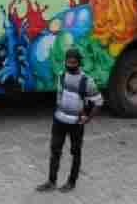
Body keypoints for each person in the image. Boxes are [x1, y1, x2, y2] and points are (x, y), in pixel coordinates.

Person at [36, 48, 103, 193]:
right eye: (68, 62)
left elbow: (99, 102)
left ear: (79, 63)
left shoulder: (87, 81)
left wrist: (87, 119)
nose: (70, 65)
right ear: (65, 61)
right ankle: (51, 181)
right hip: (59, 122)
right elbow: (60, 97)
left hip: (76, 124)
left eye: (73, 63)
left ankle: (72, 182)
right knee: (55, 151)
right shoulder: (61, 76)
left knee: (76, 152)